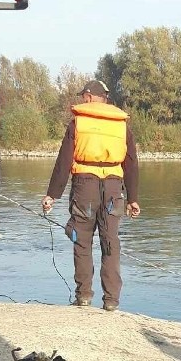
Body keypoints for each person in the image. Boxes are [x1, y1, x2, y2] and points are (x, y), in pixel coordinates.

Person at [41, 80, 140, 310]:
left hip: (85, 187)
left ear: (88, 96)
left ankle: (84, 296)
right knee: (110, 242)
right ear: (104, 98)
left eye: (83, 96)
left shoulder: (78, 122)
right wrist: (133, 198)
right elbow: (132, 164)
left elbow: (63, 161)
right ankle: (111, 301)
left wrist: (51, 195)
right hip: (114, 188)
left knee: (82, 240)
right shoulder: (121, 125)